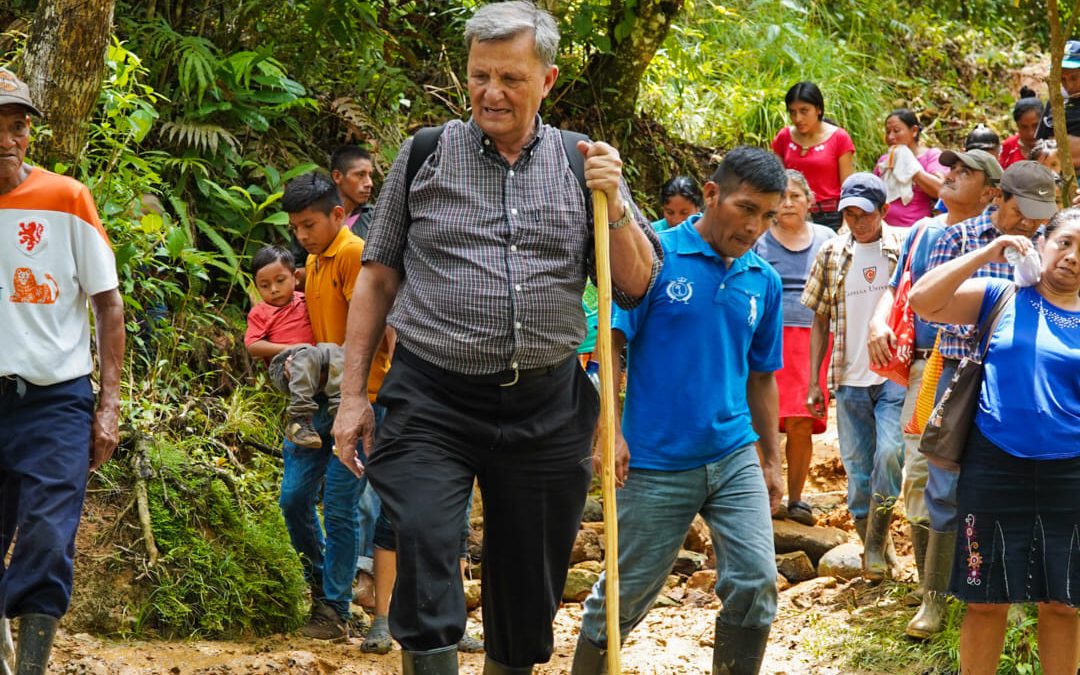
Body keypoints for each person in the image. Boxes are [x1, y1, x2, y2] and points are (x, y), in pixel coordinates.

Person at [330, 3, 662, 673]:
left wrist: (619, 205)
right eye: (480, 75)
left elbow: (635, 283)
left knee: (526, 593)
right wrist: (352, 395)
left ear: (548, 80)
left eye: (510, 77)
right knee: (422, 538)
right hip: (433, 397)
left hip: (546, 404)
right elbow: (376, 278)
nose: (491, 92)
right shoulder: (426, 154)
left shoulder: (582, 163)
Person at [572, 145, 787, 675]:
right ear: (711, 195)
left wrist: (772, 458)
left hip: (733, 451)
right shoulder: (652, 256)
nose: (755, 226)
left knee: (757, 582)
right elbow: (612, 345)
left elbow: (762, 376)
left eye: (767, 215)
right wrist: (610, 431)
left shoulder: (764, 278)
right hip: (656, 460)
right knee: (623, 598)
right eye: (746, 209)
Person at [908, 211, 1080, 675]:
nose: (1072, 258)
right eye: (1065, 243)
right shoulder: (999, 294)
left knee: (1062, 603)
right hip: (994, 468)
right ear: (1041, 243)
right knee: (985, 601)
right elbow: (923, 300)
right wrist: (989, 252)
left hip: (1071, 476)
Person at [0, 67, 125, 674]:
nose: (7, 139)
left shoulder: (66, 199)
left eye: (17, 126)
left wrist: (109, 404)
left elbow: (108, 302)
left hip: (54, 401)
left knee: (48, 538)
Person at [866, 147, 1002, 633]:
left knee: (979, 474)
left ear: (990, 192)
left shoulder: (1002, 237)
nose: (951, 176)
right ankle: (932, 595)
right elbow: (898, 286)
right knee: (922, 470)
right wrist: (879, 322)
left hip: (986, 367)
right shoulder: (924, 230)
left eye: (966, 172)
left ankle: (981, 592)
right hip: (931, 363)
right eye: (952, 168)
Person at [276, 173, 389, 642]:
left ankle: (334, 607)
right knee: (294, 497)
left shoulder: (351, 254)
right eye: (296, 227)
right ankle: (325, 587)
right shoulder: (314, 259)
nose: (301, 235)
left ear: (337, 216)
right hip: (322, 397)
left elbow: (380, 326)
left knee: (341, 505)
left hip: (362, 399)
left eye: (309, 224)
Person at [801, 173, 905, 580]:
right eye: (849, 214)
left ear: (883, 211)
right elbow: (819, 320)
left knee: (890, 453)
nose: (856, 222)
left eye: (864, 214)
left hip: (893, 374)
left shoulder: (903, 247)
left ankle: (877, 544)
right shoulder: (831, 252)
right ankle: (875, 550)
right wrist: (814, 380)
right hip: (848, 378)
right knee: (858, 469)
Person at [752, 169, 835, 526]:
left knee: (801, 421)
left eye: (796, 196)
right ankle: (761, 497)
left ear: (809, 202)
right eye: (782, 197)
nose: (788, 203)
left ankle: (797, 499)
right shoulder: (759, 239)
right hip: (767, 337)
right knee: (760, 419)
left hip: (812, 339)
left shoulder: (827, 239)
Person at [244, 245, 345, 449]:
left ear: (295, 277)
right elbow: (253, 345)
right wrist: (289, 347)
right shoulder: (261, 312)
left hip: (314, 358)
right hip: (284, 365)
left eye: (280, 281)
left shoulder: (305, 299)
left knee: (335, 351)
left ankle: (340, 409)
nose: (273, 289)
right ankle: (299, 419)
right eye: (264, 285)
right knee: (306, 353)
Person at [771, 81, 856, 231]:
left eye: (804, 111)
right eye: (792, 112)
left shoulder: (839, 137)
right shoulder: (784, 137)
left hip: (831, 216)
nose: (798, 118)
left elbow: (848, 186)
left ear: (818, 109)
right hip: (792, 212)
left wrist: (846, 222)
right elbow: (775, 181)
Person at [874, 109, 945, 228]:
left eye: (896, 131)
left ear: (914, 131)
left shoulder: (930, 156)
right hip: (884, 230)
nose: (890, 137)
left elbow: (941, 190)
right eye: (887, 132)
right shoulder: (884, 161)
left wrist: (910, 167)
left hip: (916, 230)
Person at [1037, 39, 1080, 169]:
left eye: (1074, 78)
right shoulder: (1056, 101)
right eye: (1063, 79)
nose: (1069, 86)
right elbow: (1040, 146)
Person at [330, 145, 376, 240]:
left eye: (370, 175)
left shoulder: (376, 219)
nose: (369, 183)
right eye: (360, 175)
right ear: (337, 176)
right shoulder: (317, 215)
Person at [999, 87, 1043, 168]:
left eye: (1036, 126)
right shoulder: (1009, 147)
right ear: (1017, 125)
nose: (1031, 133)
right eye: (1024, 127)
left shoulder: (1054, 146)